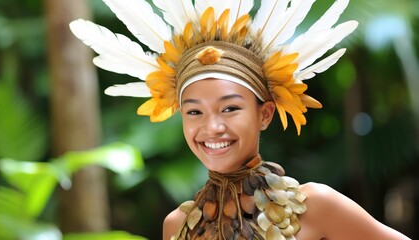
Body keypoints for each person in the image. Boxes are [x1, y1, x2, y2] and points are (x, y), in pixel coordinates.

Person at [69, 0, 411, 239]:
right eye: (194, 112)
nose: (212, 127)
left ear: (264, 114)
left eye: (230, 108)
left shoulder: (317, 206)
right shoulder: (176, 225)